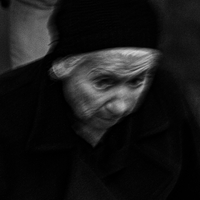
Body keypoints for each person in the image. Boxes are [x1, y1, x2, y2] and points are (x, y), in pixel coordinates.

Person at [0, 0, 199, 199]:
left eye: (136, 81)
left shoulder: (163, 94)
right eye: (104, 82)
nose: (119, 106)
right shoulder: (9, 110)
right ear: (60, 67)